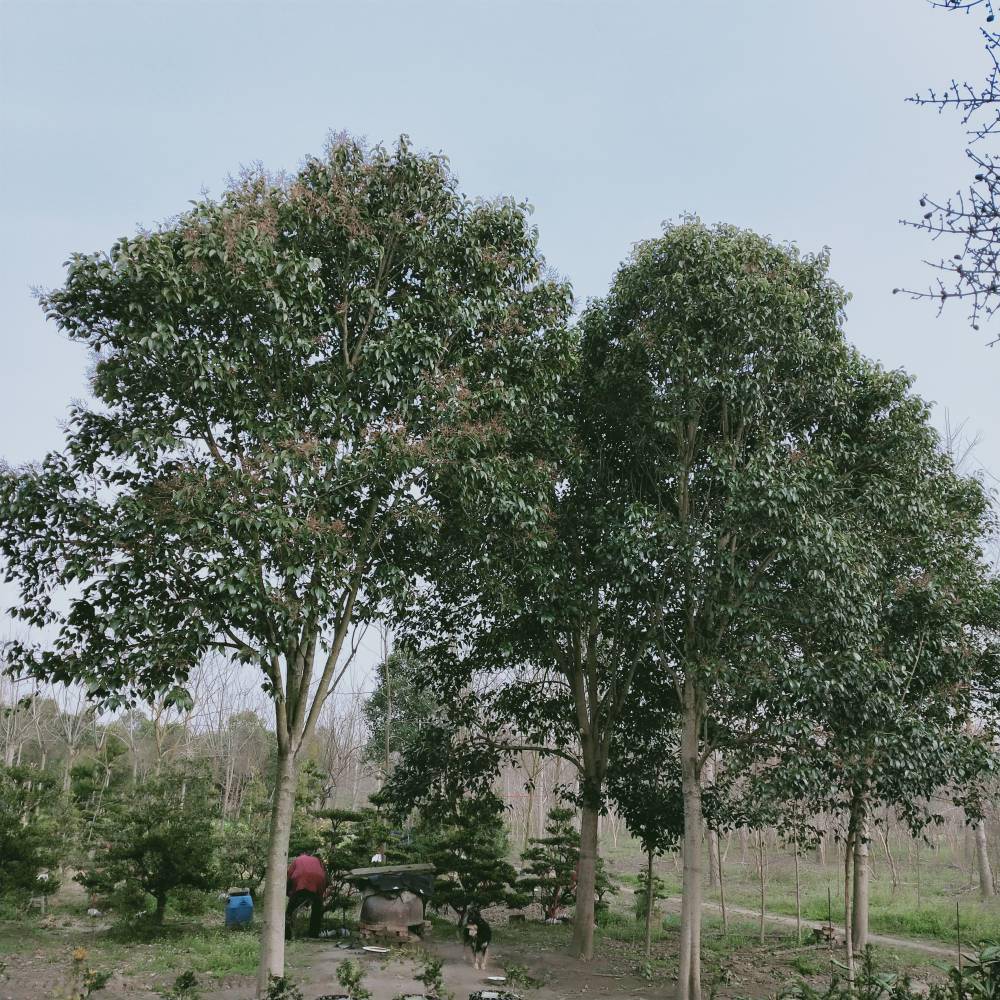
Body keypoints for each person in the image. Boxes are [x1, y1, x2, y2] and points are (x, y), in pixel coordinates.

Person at [285, 853, 327, 939]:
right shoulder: (317, 860)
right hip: (318, 879)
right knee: (317, 907)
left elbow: (289, 875)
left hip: (301, 879)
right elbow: (323, 876)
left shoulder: (298, 859)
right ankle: (314, 934)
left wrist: (289, 893)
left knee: (291, 908)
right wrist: (320, 896)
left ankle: (287, 933)